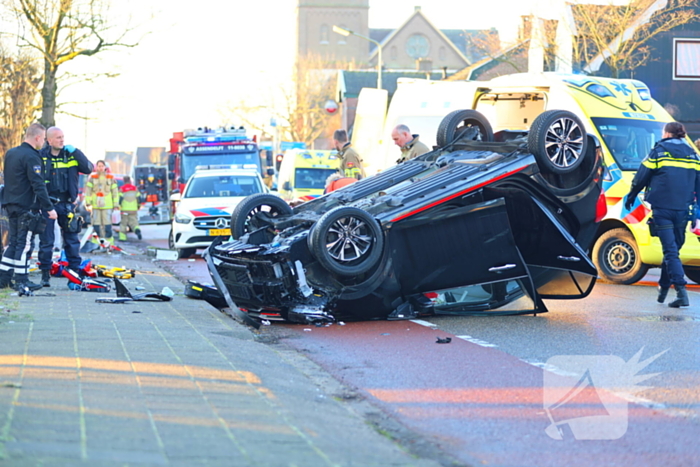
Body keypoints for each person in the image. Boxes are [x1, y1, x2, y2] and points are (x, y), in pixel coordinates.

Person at [625, 122, 700, 307]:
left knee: (670, 251)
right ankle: (664, 286)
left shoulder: (658, 151)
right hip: (683, 210)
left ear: (666, 133)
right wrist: (697, 212)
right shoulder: (693, 155)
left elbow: (642, 175)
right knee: (673, 249)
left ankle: (681, 293)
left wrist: (632, 195)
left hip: (662, 209)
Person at [0, 123, 57, 291]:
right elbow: (38, 184)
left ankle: (3, 279)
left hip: (10, 204)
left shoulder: (11, 153)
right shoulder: (32, 156)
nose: (44, 143)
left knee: (14, 243)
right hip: (26, 206)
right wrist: (49, 208)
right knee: (24, 245)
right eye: (44, 139)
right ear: (38, 137)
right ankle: (21, 281)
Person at [37, 127, 93, 287]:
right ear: (49, 140)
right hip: (47, 205)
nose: (62, 140)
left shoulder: (71, 155)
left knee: (71, 240)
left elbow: (88, 168)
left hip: (67, 204)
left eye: (63, 137)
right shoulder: (41, 157)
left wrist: (77, 151)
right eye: (58, 138)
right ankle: (45, 276)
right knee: (46, 241)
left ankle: (74, 274)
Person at [84, 160, 119, 244]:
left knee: (107, 225)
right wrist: (88, 203)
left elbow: (115, 192)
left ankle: (109, 242)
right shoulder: (92, 178)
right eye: (99, 166)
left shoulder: (110, 177)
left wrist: (116, 204)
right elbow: (88, 191)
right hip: (96, 206)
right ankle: (96, 242)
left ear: (105, 167)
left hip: (107, 205)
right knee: (96, 225)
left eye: (102, 166)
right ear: (96, 167)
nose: (100, 168)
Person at [118, 175, 142, 241]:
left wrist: (118, 206)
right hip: (133, 210)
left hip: (124, 210)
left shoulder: (122, 189)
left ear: (124, 181)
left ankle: (122, 238)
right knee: (134, 223)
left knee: (123, 223)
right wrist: (138, 205)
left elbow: (120, 199)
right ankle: (137, 230)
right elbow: (139, 198)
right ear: (130, 181)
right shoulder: (135, 188)